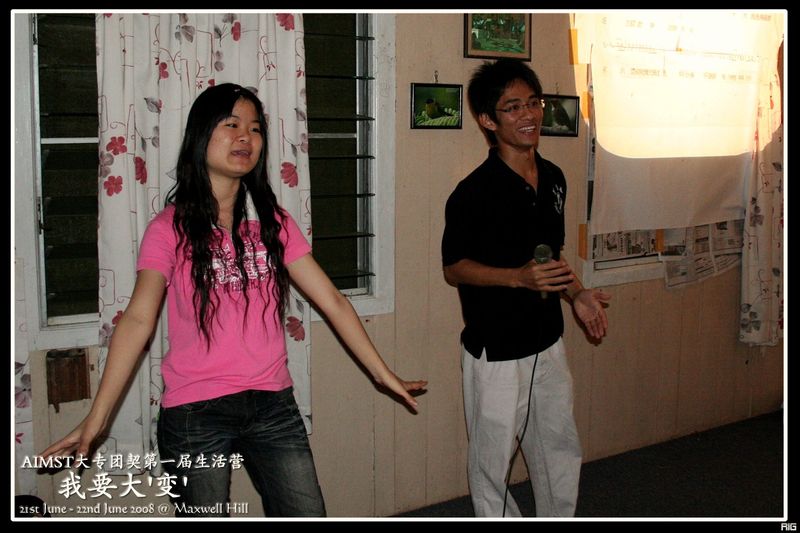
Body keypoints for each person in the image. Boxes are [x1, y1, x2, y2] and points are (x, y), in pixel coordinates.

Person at [41, 83, 427, 517]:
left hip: (273, 403)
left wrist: (382, 374)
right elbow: (137, 320)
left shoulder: (273, 223)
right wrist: (97, 420)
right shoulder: (169, 228)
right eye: (232, 124)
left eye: (256, 128)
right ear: (201, 136)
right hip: (195, 411)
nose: (246, 136)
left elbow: (333, 302)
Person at [441, 59, 610, 518]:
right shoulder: (472, 193)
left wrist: (578, 295)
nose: (529, 115)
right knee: (492, 462)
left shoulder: (554, 177)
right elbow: (454, 268)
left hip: (548, 341)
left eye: (533, 103)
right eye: (513, 107)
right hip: (495, 350)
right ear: (488, 120)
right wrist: (516, 277)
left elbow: (550, 257)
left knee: (559, 447)